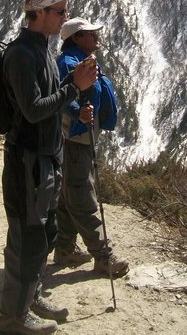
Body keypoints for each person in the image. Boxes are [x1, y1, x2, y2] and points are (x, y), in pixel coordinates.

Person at [0, 0, 98, 335]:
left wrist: (72, 79)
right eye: (60, 11)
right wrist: (76, 87)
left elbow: (50, 97)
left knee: (44, 233)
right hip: (28, 161)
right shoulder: (23, 54)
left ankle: (30, 298)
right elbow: (34, 109)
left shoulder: (42, 49)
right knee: (27, 237)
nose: (65, 18)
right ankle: (14, 316)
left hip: (45, 158)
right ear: (37, 13)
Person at [53, 18, 129, 277]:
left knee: (68, 194)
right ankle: (103, 255)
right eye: (89, 33)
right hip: (74, 138)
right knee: (82, 194)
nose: (96, 36)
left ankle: (64, 247)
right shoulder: (69, 63)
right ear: (75, 37)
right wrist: (78, 114)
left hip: (79, 137)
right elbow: (60, 97)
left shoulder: (77, 60)